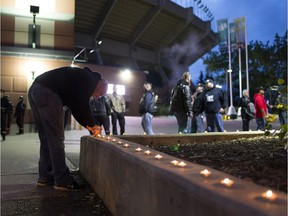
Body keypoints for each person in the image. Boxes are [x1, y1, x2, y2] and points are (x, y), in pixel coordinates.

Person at [28, 66, 107, 191]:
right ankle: (62, 179)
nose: (97, 97)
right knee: (56, 138)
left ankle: (45, 176)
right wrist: (93, 124)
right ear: (100, 85)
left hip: (35, 90)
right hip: (48, 92)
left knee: (46, 138)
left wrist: (89, 126)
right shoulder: (89, 80)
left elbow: (76, 107)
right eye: (100, 94)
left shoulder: (82, 79)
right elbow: (82, 105)